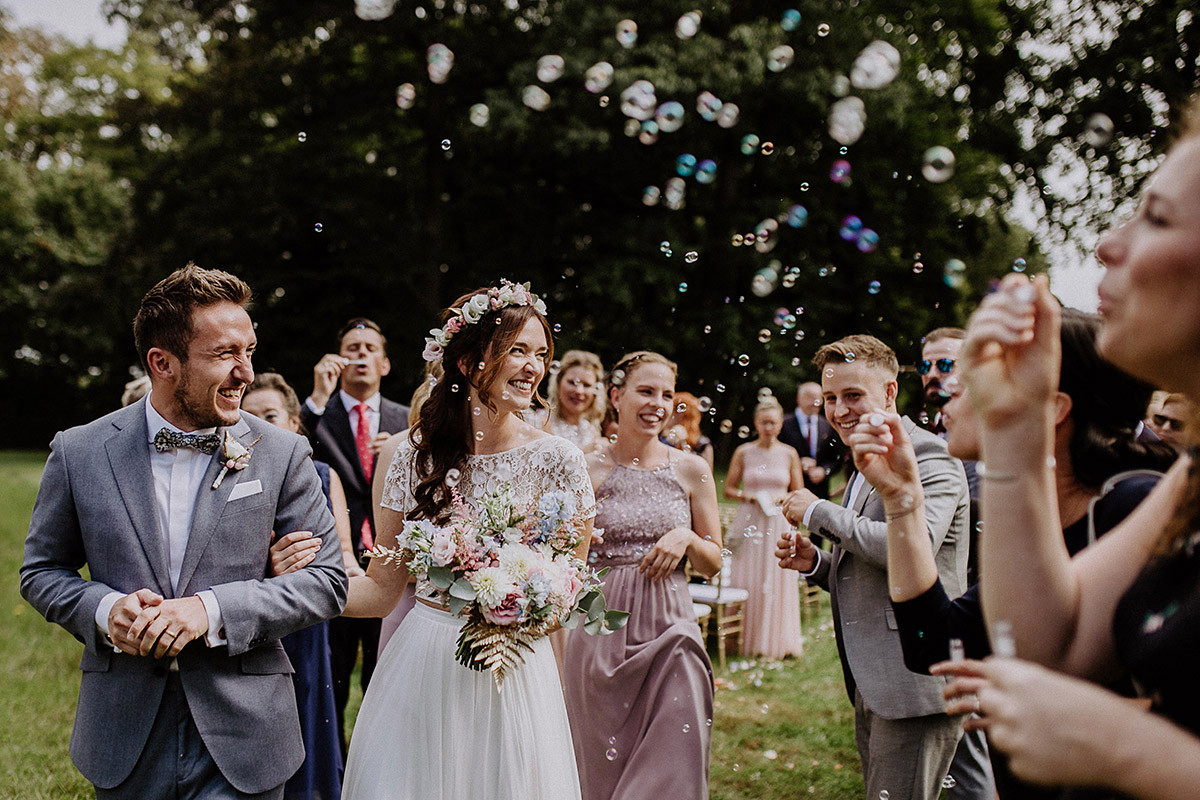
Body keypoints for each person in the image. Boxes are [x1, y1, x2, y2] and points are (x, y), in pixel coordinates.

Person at [933, 107, 1200, 796]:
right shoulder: (1193, 478)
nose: (1110, 244)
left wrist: (1130, 749)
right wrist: (1016, 428)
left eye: (1159, 219)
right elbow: (1052, 648)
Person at [19, 263, 348, 799]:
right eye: (225, 355)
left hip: (245, 732)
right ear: (162, 363)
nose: (245, 372)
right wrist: (104, 611)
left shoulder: (283, 452)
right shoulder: (79, 452)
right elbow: (41, 571)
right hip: (125, 731)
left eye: (249, 351)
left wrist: (209, 610)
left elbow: (328, 581)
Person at [846, 311, 1172, 798]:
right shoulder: (1033, 526)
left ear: (1051, 407)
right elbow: (934, 646)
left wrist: (1076, 714)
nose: (950, 391)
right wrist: (902, 503)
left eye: (976, 379)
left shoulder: (1135, 507)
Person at [338, 281, 595, 799]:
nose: (533, 366)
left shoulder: (559, 461)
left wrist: (525, 595)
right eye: (516, 350)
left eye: (541, 353)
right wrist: (296, 585)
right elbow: (382, 590)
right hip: (426, 662)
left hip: (517, 670)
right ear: (468, 362)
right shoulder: (409, 457)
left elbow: (571, 588)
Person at [776, 334, 970, 800]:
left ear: (889, 393)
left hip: (916, 677)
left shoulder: (930, 456)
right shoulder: (864, 459)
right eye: (829, 398)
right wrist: (818, 563)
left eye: (852, 395)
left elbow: (913, 546)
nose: (838, 410)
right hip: (875, 676)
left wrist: (818, 512)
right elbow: (877, 566)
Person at [564, 351, 722, 800]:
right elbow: (564, 556)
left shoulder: (692, 470)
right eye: (646, 391)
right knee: (598, 765)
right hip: (600, 625)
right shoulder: (587, 468)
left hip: (673, 629)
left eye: (667, 394)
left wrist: (688, 540)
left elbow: (713, 562)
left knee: (678, 754)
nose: (658, 403)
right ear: (616, 396)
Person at [243, 372, 357, 800]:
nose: (259, 425)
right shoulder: (223, 476)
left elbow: (342, 552)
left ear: (294, 422)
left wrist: (351, 571)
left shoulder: (323, 476)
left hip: (306, 626)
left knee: (305, 721)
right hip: (248, 625)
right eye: (247, 416)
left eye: (270, 415)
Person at [300, 317, 409, 751]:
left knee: (385, 670)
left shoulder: (406, 419)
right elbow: (289, 449)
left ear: (384, 364)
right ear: (337, 361)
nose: (361, 354)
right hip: (334, 560)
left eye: (369, 348)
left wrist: (395, 456)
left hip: (392, 559)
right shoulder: (317, 414)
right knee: (335, 669)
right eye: (352, 347)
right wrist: (316, 399)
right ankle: (334, 762)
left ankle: (377, 754)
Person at [724, 395, 805, 659]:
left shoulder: (789, 453)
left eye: (773, 422)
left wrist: (781, 498)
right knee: (746, 577)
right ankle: (740, 639)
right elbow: (728, 489)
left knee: (777, 577)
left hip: (778, 521)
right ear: (756, 423)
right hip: (750, 519)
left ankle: (776, 641)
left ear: (781, 424)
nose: (768, 427)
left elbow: (799, 491)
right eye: (763, 422)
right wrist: (750, 496)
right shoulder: (744, 452)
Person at [779, 381, 842, 499]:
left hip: (820, 493)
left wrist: (824, 471)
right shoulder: (783, 424)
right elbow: (775, 455)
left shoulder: (828, 425)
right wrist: (797, 462)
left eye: (819, 398)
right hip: (790, 493)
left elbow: (836, 459)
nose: (815, 403)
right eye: (811, 397)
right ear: (799, 399)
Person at [544, 349, 605, 452]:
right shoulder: (540, 422)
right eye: (572, 383)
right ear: (558, 384)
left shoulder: (592, 432)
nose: (579, 391)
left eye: (587, 385)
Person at [917, 327, 965, 431]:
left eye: (944, 364)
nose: (932, 374)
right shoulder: (937, 423)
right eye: (925, 366)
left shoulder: (988, 429)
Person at [661, 390, 715, 469]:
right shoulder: (658, 437)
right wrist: (668, 442)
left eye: (672, 409)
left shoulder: (702, 444)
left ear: (680, 414)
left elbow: (707, 474)